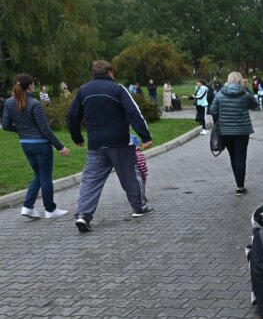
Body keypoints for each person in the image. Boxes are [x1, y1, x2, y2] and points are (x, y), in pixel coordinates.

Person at [68, 60, 154, 233]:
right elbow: (133, 112)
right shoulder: (118, 89)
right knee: (130, 175)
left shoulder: (83, 90)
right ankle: (139, 207)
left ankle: (83, 215)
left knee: (90, 181)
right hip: (119, 143)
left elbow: (72, 116)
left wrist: (77, 138)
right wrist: (145, 136)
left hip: (95, 144)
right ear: (109, 72)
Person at [2, 73, 71, 219]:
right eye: (33, 84)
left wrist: (21, 130)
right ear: (30, 86)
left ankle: (27, 207)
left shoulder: (8, 102)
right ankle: (50, 209)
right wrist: (60, 147)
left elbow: (6, 125)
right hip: (40, 144)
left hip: (25, 144)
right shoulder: (35, 104)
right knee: (45, 176)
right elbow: (45, 130)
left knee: (39, 175)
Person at [210, 71, 257, 195]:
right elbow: (255, 105)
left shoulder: (220, 94)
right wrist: (248, 90)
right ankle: (240, 187)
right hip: (242, 131)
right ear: (240, 80)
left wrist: (219, 119)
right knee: (241, 157)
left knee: (233, 156)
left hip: (225, 131)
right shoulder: (244, 93)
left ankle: (238, 183)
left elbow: (212, 110)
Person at [130, 135, 149, 205]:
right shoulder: (139, 154)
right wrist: (144, 172)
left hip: (132, 175)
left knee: (134, 187)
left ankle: (136, 198)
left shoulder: (129, 154)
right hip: (141, 175)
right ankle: (142, 198)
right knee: (141, 186)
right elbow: (142, 166)